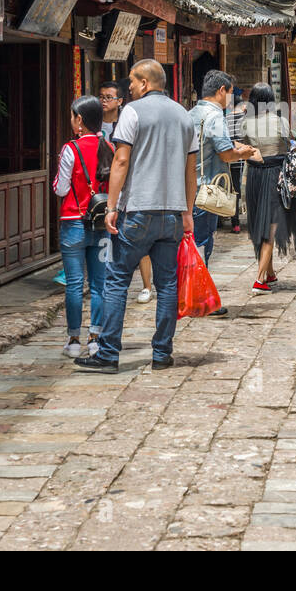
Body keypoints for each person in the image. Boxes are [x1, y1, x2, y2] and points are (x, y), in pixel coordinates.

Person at [75, 59, 197, 373]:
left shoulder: (132, 112)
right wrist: (187, 212)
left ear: (144, 83)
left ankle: (108, 353)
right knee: (167, 284)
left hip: (138, 211)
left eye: (132, 81)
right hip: (171, 213)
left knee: (116, 280)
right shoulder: (184, 115)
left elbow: (121, 160)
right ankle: (161, 353)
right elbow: (189, 171)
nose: (128, 87)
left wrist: (111, 207)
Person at [53, 95, 112, 359]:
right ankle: (96, 337)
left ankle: (74, 339)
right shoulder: (109, 147)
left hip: (73, 223)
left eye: (72, 116)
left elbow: (61, 188)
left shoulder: (71, 149)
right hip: (101, 224)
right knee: (100, 283)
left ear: (80, 120)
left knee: (75, 284)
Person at [242, 82, 296, 294]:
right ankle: (259, 279)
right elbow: (288, 142)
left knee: (259, 222)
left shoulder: (246, 122)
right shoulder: (279, 121)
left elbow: (245, 147)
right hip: (274, 175)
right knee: (270, 225)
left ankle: (269, 271)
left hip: (253, 175)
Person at [188, 69, 258, 272]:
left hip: (187, 188)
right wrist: (244, 153)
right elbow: (226, 154)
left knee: (191, 244)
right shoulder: (215, 115)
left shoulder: (191, 113)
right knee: (203, 244)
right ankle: (200, 298)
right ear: (221, 91)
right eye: (230, 92)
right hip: (206, 189)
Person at [100, 78, 156, 303]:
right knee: (105, 238)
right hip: (102, 188)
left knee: (137, 240)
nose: (104, 101)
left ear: (120, 101)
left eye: (108, 97)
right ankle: (106, 282)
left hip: (126, 189)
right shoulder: (94, 125)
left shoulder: (127, 122)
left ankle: (146, 285)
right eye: (101, 97)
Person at [225, 86, 248, 234]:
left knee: (234, 189)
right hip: (244, 159)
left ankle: (235, 222)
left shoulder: (225, 118)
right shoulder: (245, 119)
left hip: (231, 158)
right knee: (243, 189)